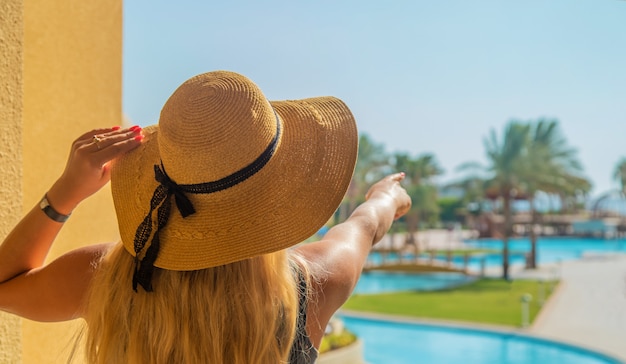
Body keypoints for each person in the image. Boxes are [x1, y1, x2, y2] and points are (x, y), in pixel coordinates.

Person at [0, 70, 410, 363]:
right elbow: (365, 225)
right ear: (277, 194)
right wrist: (386, 196)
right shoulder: (313, 284)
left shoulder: (103, 277)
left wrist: (65, 194)